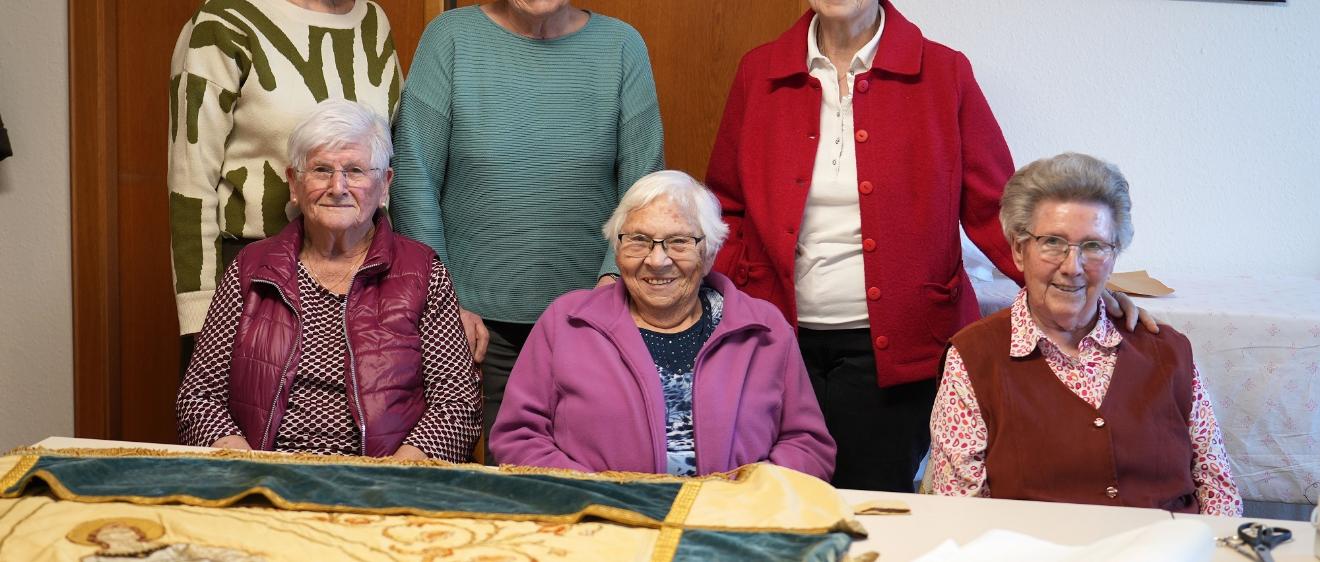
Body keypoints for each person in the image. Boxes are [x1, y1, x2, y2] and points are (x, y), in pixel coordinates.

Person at [704, 0, 1153, 491]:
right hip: (775, 342)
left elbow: (997, 208)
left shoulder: (944, 72)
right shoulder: (759, 71)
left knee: (873, 510)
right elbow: (726, 206)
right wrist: (736, 295)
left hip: (898, 352)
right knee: (776, 501)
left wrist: (1072, 285)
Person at [388, 0, 665, 462]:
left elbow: (642, 186)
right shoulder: (450, 39)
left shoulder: (621, 47)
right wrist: (444, 299)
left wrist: (611, 283)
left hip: (591, 320)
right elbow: (414, 177)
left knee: (590, 485)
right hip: (473, 327)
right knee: (498, 496)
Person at [928, 153, 1242, 515]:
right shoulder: (973, 359)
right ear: (1018, 250)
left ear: (1113, 255)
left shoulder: (1168, 352)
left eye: (1093, 246)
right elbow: (960, 514)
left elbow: (1218, 492)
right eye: (1052, 242)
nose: (1072, 267)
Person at [176, 100, 480, 461]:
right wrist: (246, 463)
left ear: (384, 185)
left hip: (383, 480)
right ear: (294, 182)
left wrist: (399, 471)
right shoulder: (251, 268)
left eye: (355, 170)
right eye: (321, 170)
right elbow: (199, 396)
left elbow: (458, 401)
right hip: (265, 473)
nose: (338, 187)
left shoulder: (423, 272)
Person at [490, 171, 835, 480]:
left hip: (734, 526)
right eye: (638, 240)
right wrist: (597, 493)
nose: (657, 260)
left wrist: (752, 496)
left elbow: (808, 445)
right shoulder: (566, 323)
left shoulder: (764, 329)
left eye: (679, 242)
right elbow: (519, 437)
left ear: (710, 253)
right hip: (602, 524)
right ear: (617, 248)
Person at [169, 0, 403, 376]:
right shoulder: (224, 21)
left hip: (360, 281)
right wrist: (202, 316)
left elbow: (384, 163)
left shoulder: (372, 21)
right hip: (255, 281)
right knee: (239, 427)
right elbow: (190, 181)